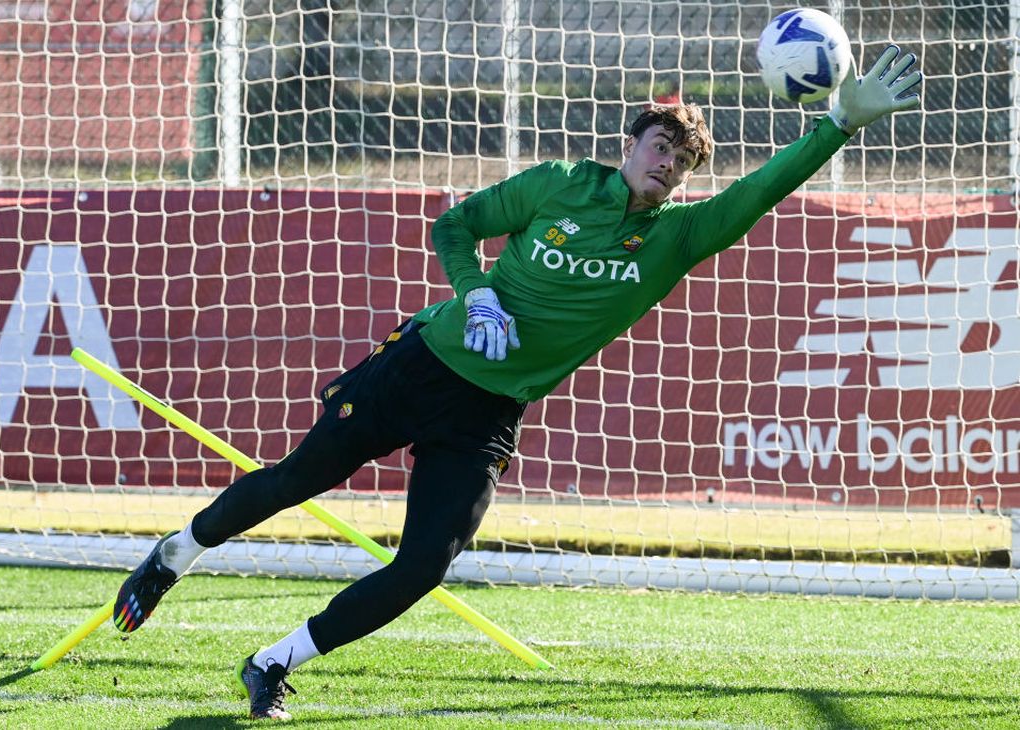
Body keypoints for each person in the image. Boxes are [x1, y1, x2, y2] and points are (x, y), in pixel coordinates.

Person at [112, 47, 921, 720]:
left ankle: (274, 661)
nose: (667, 165)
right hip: (422, 363)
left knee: (426, 564)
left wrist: (837, 124)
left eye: (681, 161)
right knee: (297, 480)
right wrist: (479, 293)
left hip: (490, 413)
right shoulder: (560, 183)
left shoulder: (678, 238)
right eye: (658, 148)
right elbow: (454, 226)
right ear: (631, 144)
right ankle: (174, 555)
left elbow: (761, 191)